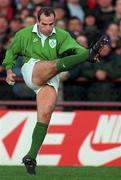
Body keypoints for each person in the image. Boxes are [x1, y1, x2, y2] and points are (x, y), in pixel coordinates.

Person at [2, 6, 109, 175]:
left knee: (45, 115)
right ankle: (88, 54)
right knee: (55, 64)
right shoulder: (23, 34)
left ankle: (30, 156)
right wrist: (8, 70)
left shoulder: (61, 35)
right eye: (44, 24)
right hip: (32, 70)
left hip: (50, 77)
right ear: (38, 21)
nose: (48, 28)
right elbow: (11, 52)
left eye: (51, 24)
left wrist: (87, 55)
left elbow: (76, 49)